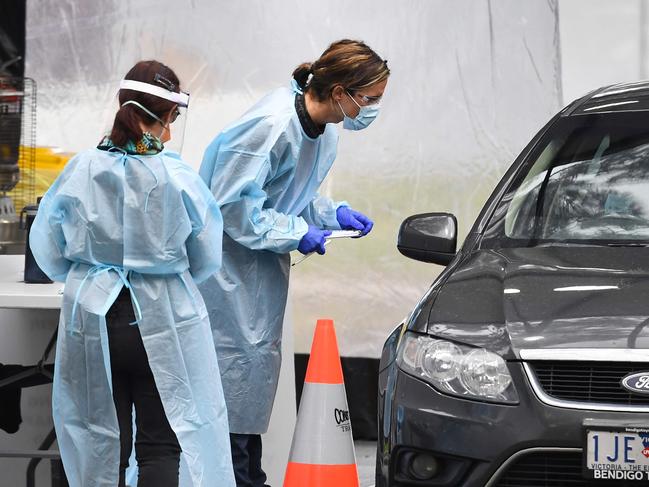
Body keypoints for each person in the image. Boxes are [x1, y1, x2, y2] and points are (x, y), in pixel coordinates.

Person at [30, 60, 235, 487]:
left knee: (99, 443)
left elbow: (47, 244)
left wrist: (88, 275)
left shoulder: (81, 168)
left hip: (92, 319)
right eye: (172, 120)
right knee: (161, 443)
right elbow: (206, 253)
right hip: (162, 320)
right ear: (158, 119)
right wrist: (166, 275)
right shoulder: (177, 177)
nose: (172, 132)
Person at [198, 39, 389, 486]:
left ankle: (247, 477)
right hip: (223, 276)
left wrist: (328, 214)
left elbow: (290, 198)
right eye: (372, 99)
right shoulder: (270, 125)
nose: (375, 109)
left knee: (245, 394)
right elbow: (231, 208)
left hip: (255, 276)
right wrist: (297, 232)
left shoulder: (322, 134)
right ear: (341, 90)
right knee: (227, 393)